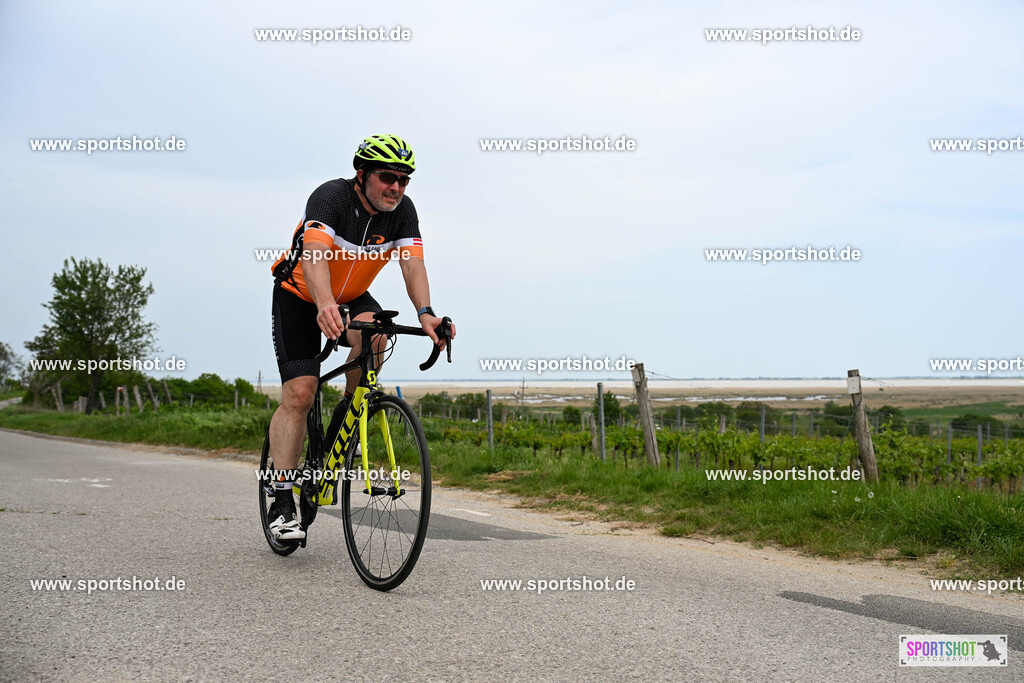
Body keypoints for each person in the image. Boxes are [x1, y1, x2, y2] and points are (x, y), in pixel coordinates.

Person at [267, 134, 454, 540]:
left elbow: (412, 264)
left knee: (377, 336)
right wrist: (323, 304)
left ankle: (345, 422)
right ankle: (281, 499)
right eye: (388, 177)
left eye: (404, 180)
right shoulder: (331, 198)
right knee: (300, 393)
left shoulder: (403, 212)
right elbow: (315, 256)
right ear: (362, 174)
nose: (396, 188)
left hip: (351, 297)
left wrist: (426, 314)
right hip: (300, 295)